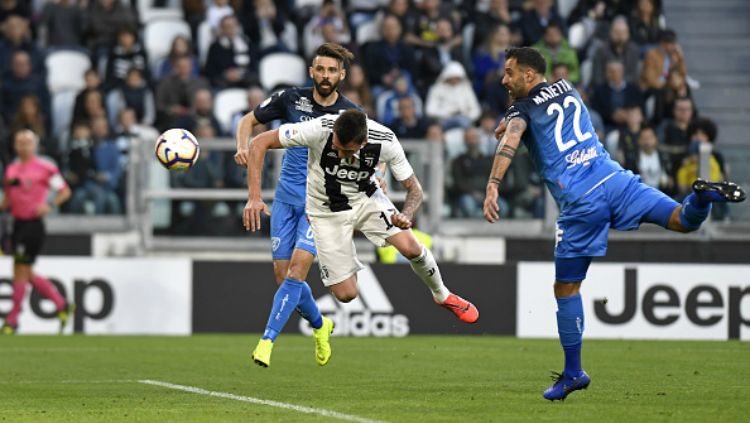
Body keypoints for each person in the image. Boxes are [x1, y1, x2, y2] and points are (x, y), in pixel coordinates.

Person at [482, 47, 746, 401]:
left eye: (510, 72)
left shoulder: (522, 109)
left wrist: (493, 184)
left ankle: (574, 372)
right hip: (614, 179)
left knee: (566, 289)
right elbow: (533, 116)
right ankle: (700, 196)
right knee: (682, 219)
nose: (504, 79)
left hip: (581, 200)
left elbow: (512, 137)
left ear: (529, 75)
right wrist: (513, 119)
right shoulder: (567, 87)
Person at [243, 109, 479, 364]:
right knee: (346, 294)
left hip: (366, 199)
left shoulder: (385, 141)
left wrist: (406, 213)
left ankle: (442, 295)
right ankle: (343, 262)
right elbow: (259, 142)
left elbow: (415, 189)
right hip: (325, 212)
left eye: (346, 151)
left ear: (363, 143)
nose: (339, 152)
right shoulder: (319, 128)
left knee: (410, 247)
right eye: (336, 145)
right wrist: (255, 197)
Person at [234, 43, 360, 368]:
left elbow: (372, 147)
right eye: (321, 69)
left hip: (320, 204)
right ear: (312, 71)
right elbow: (248, 122)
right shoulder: (292, 99)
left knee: (296, 270)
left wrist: (379, 176)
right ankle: (321, 325)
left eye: (333, 70)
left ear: (341, 75)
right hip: (285, 200)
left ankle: (266, 342)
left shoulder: (350, 114)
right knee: (283, 277)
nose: (326, 75)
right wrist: (241, 148)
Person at [1, 130, 74, 335]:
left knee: (20, 271)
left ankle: (12, 320)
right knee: (24, 272)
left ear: (35, 145)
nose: (23, 146)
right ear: (15, 145)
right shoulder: (11, 169)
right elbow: (7, 200)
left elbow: (65, 191)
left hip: (33, 225)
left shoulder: (46, 168)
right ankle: (61, 304)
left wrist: (49, 204)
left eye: (27, 142)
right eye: (20, 142)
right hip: (16, 225)